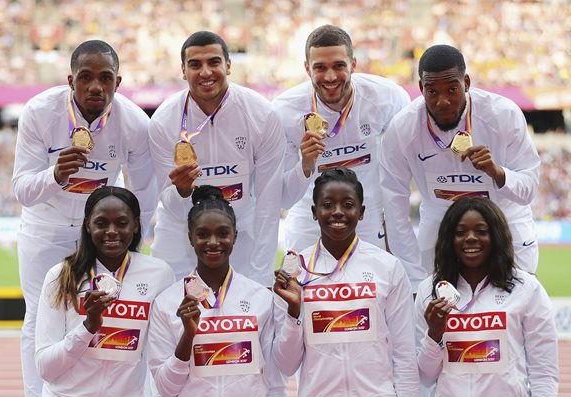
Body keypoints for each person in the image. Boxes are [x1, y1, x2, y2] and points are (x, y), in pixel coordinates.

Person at [12, 39, 158, 397]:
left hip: (97, 233)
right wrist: (55, 176)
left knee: (110, 312)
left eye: (105, 78)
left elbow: (144, 196)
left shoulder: (134, 122)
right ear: (70, 80)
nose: (96, 86)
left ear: (118, 83)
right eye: (86, 77)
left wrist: (133, 243)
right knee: (38, 316)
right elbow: (22, 190)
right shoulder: (39, 112)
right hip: (44, 229)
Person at [380, 44, 540, 292]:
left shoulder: (503, 115)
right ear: (421, 88)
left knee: (513, 310)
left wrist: (499, 174)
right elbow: (394, 209)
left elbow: (529, 190)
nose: (442, 101)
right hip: (440, 221)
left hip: (504, 220)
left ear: (466, 82)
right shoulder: (403, 129)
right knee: (440, 318)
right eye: (432, 91)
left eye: (452, 89)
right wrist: (413, 279)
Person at [149, 31, 285, 287]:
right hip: (179, 232)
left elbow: (268, 203)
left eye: (213, 62)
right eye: (195, 64)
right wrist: (182, 191)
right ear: (183, 70)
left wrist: (262, 276)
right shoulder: (163, 121)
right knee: (170, 312)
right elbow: (170, 204)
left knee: (239, 317)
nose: (205, 72)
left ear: (228, 65)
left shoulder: (262, 115)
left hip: (239, 232)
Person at [273, 167, 419, 397]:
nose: (338, 212)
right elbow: (286, 365)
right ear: (314, 212)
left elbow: (404, 355)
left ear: (361, 212)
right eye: (328, 204)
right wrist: (293, 313)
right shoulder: (294, 272)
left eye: (348, 205)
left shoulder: (388, 267)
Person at [273, 24, 410, 252]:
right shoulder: (284, 111)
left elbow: (407, 160)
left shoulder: (388, 97)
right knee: (303, 286)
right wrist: (305, 165)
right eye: (320, 67)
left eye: (339, 65)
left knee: (369, 286)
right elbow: (285, 199)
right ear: (307, 69)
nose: (330, 76)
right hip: (309, 218)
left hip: (366, 215)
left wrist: (393, 212)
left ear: (353, 64)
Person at [146, 185, 285, 397]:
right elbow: (165, 389)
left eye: (222, 234)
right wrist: (188, 336)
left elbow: (274, 382)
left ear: (235, 237)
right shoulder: (167, 303)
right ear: (190, 238)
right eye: (202, 234)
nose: (213, 243)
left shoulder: (261, 298)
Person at [35, 186, 173, 397]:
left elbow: (161, 354)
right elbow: (45, 368)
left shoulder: (159, 274)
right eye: (101, 223)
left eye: (121, 222)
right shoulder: (62, 276)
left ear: (135, 225)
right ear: (88, 225)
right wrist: (88, 327)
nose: (111, 230)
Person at [414, 196, 558, 397]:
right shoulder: (429, 291)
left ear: (497, 236)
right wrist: (434, 335)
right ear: (449, 239)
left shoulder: (526, 289)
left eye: (481, 231)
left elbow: (544, 371)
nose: (471, 238)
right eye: (460, 232)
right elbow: (425, 377)